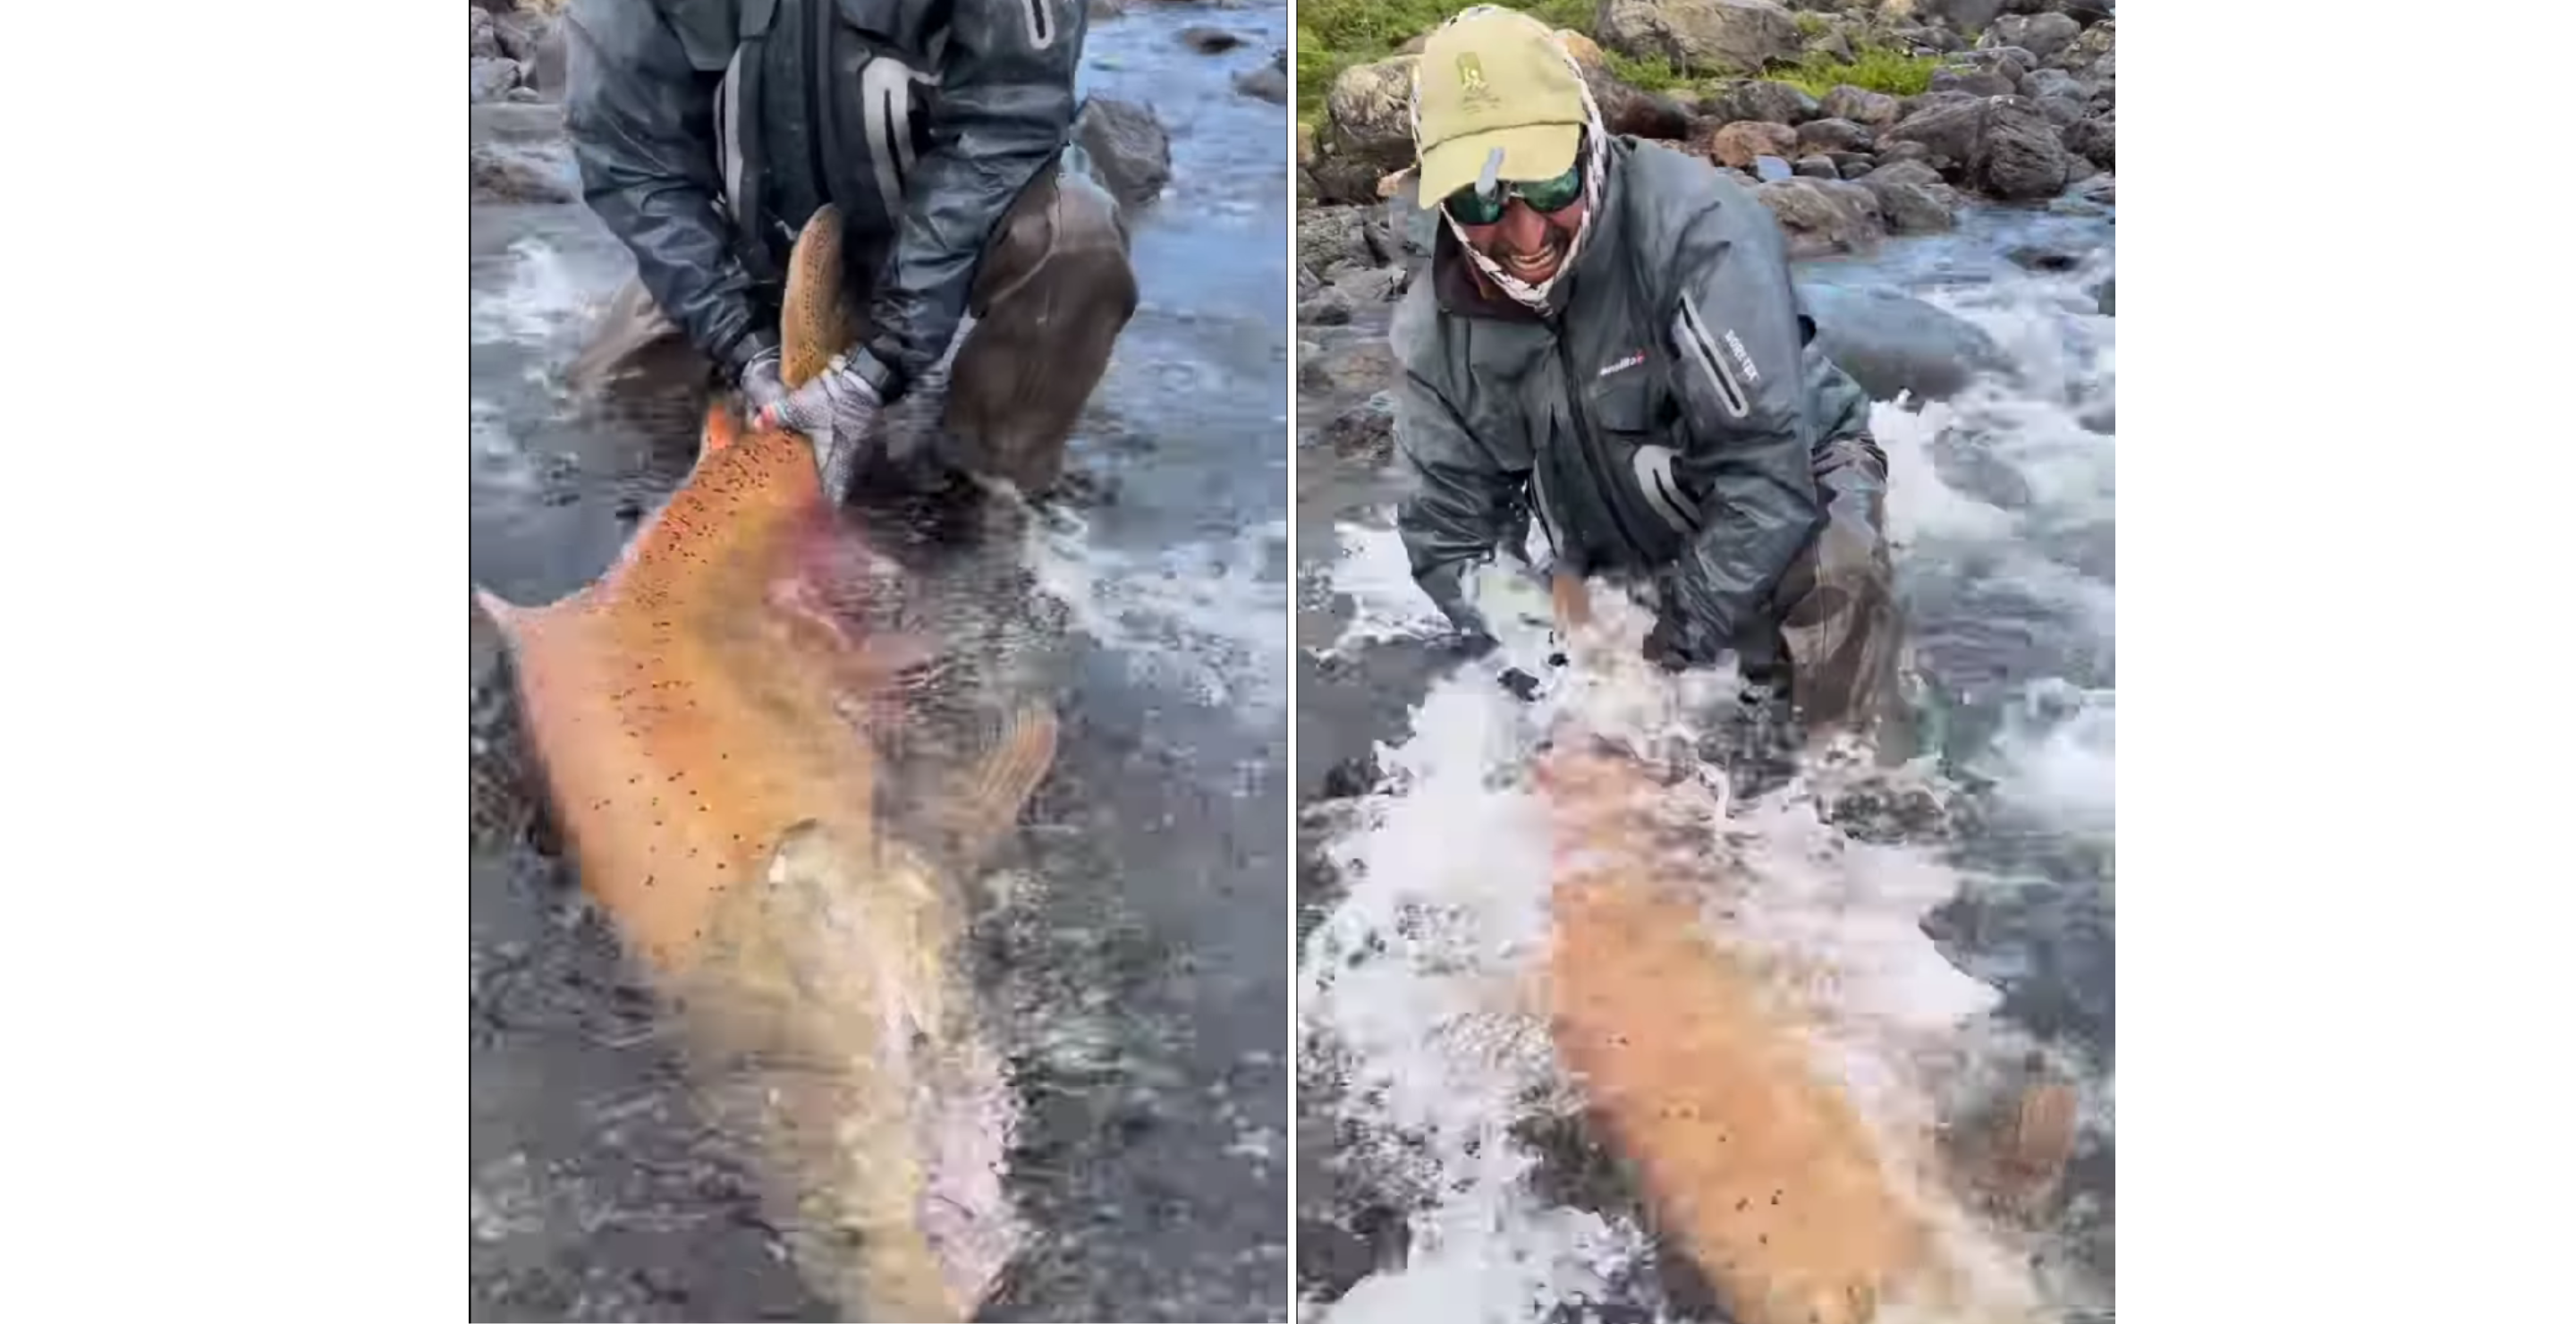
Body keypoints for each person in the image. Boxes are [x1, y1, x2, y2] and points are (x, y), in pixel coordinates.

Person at [1387, 5, 1911, 751]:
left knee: (1836, 588)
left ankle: (1873, 818)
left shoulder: (1700, 233)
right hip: (1602, 518)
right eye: (1479, 199)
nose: (1526, 233)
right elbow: (1452, 541)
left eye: (1546, 181)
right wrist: (1563, 672)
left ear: (1590, 141)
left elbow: (1766, 478)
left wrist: (1664, 652)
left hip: (1792, 470)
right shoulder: (1436, 334)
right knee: (1557, 722)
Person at [560, 0, 1139, 505]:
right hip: (756, 241)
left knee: (1075, 243)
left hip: (949, 226)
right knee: (612, 403)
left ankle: (984, 494)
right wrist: (743, 346)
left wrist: (883, 360)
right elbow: (632, 163)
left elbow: (1009, 120)